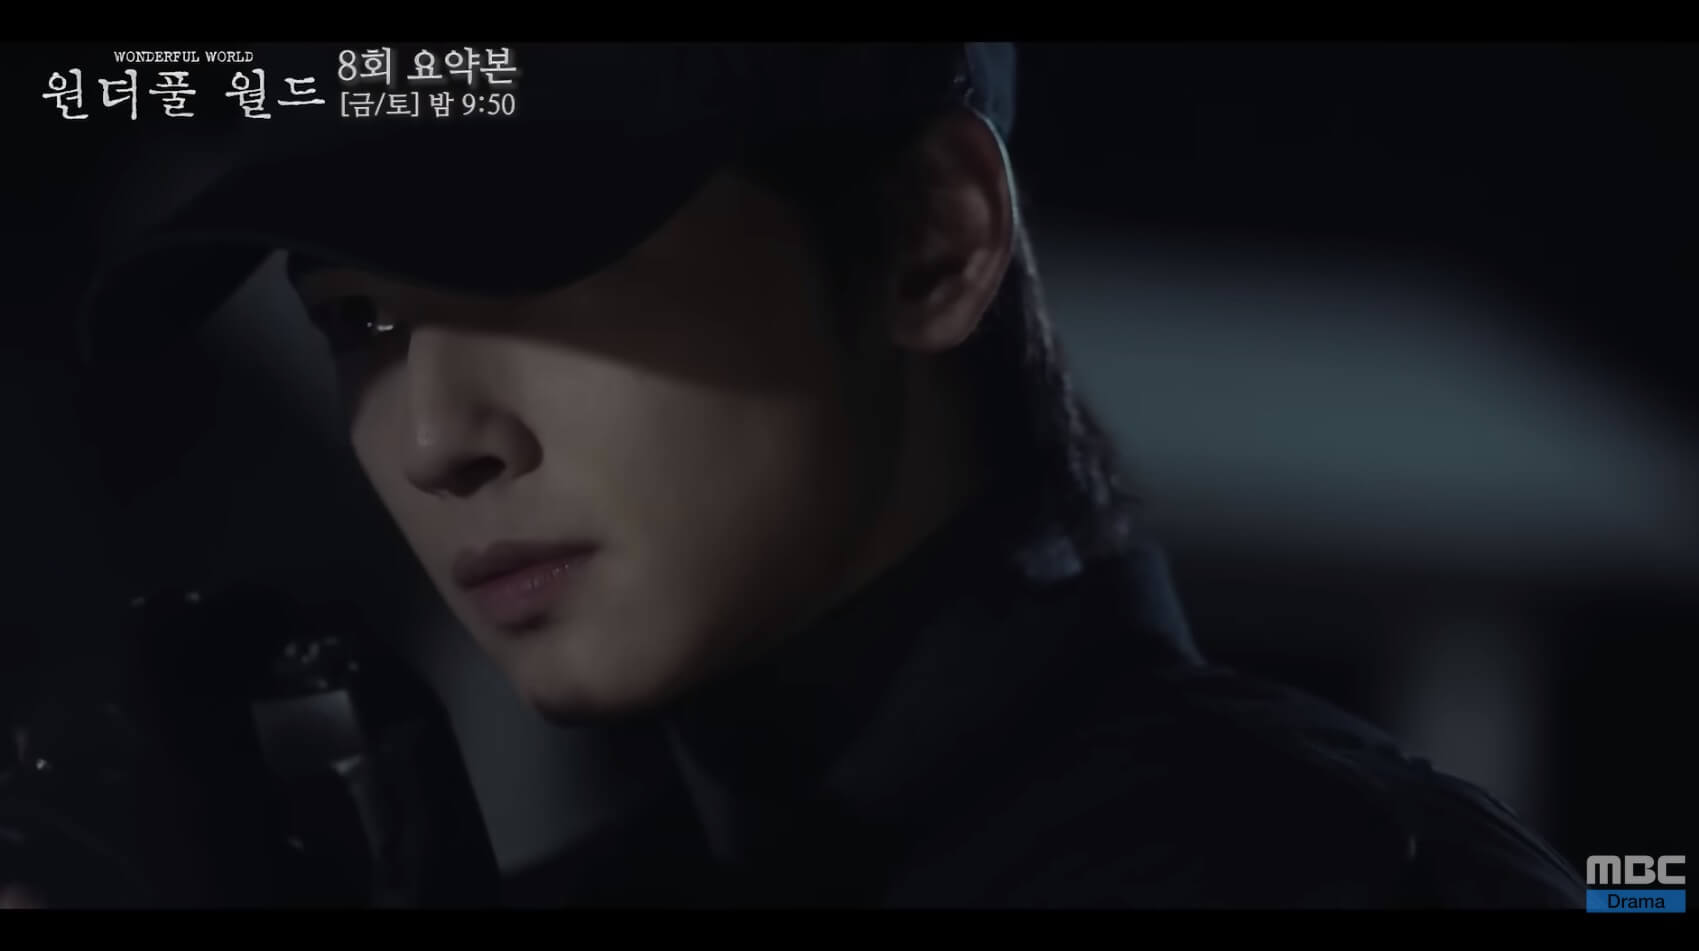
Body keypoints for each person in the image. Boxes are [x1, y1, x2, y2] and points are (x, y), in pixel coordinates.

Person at [36, 43, 1583, 908]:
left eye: (541, 267)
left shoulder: (1344, 885)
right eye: (360, 323)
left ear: (931, 240)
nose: (437, 438)